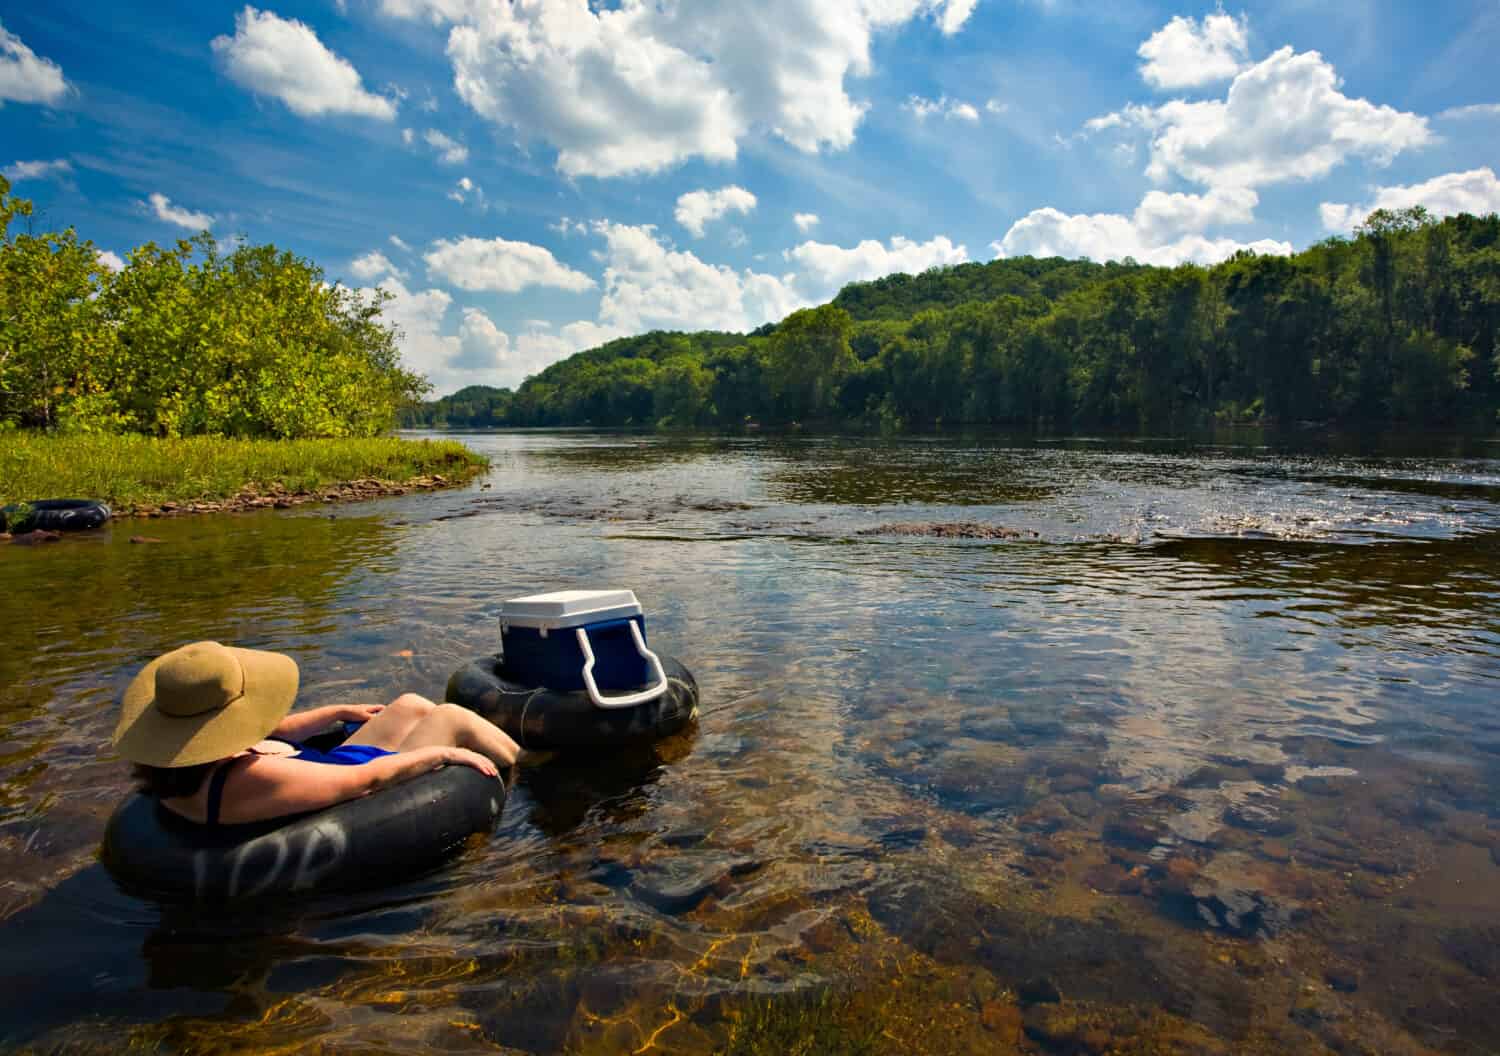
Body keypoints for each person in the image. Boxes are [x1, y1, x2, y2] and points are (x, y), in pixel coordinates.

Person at [111, 640, 520, 827]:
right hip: (365, 783)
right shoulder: (250, 778)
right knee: (450, 716)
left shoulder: (186, 761)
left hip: (332, 765)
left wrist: (338, 711)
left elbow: (277, 729)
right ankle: (526, 762)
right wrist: (443, 756)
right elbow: (368, 780)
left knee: (412, 703)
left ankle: (496, 748)